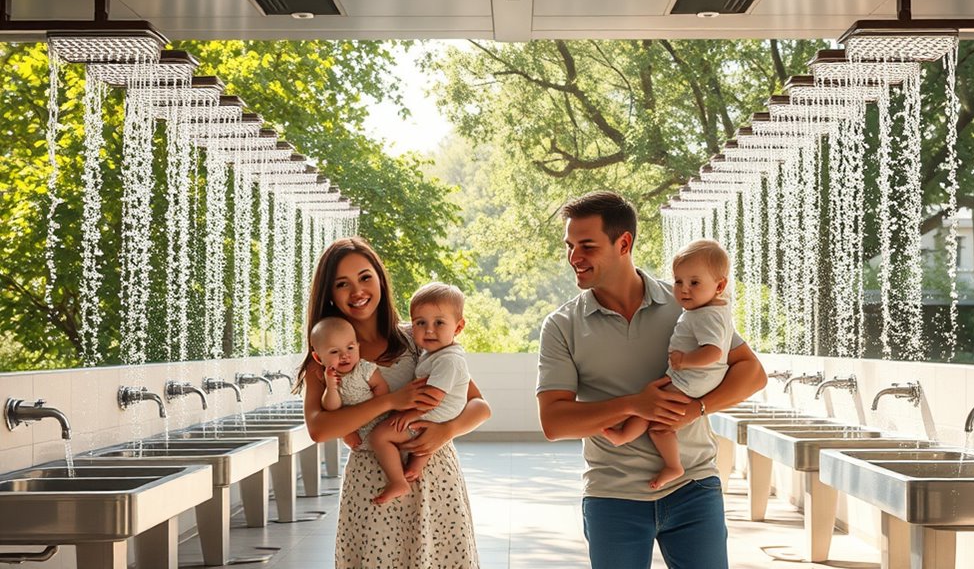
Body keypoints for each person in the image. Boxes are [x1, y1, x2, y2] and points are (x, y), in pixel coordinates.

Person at [536, 191, 767, 569]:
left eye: (587, 245)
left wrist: (697, 408)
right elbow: (554, 422)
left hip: (694, 488)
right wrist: (633, 404)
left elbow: (752, 373)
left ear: (623, 243)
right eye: (570, 245)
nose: (574, 257)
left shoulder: (687, 301)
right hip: (612, 495)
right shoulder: (562, 325)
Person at [297, 237, 488, 569]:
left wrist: (446, 431)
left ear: (380, 280)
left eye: (365, 277)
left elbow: (480, 406)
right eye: (343, 284)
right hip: (371, 484)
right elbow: (318, 429)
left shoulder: (418, 339)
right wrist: (390, 402)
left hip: (434, 479)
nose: (357, 290)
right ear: (329, 292)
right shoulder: (327, 359)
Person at [602, 239, 734, 490]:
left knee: (658, 419)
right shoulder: (712, 309)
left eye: (694, 283)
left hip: (693, 378)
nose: (684, 290)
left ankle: (670, 463)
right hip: (693, 378)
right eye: (678, 281)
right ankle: (626, 436)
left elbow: (714, 352)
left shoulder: (707, 315)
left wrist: (685, 361)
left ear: (720, 286)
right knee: (654, 404)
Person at [368, 281, 472, 504]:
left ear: (459, 327)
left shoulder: (449, 359)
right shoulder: (435, 353)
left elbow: (432, 398)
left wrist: (408, 415)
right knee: (420, 440)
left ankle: (397, 481)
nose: (429, 330)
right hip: (440, 411)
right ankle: (416, 465)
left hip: (439, 410)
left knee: (379, 435)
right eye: (420, 322)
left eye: (439, 322)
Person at [311, 315, 388, 453]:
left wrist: (381, 412)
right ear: (318, 357)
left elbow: (381, 387)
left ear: (358, 347)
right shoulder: (328, 378)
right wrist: (331, 388)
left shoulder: (363, 368)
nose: (344, 355)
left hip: (380, 421)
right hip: (354, 430)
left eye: (350, 348)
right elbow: (332, 408)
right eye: (335, 351)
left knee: (388, 448)